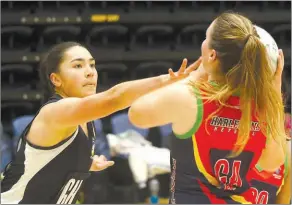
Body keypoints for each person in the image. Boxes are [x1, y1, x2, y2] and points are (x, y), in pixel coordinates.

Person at [0, 41, 201, 204]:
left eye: (92, 65)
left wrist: (86, 162)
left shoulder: (84, 120)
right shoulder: (55, 111)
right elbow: (115, 97)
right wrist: (167, 81)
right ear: (56, 79)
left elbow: (49, 158)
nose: (90, 72)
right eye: (78, 66)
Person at [128, 12, 290, 204]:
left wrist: (193, 78)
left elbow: (136, 113)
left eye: (206, 38)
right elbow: (272, 164)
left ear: (212, 55)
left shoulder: (192, 99)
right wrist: (272, 95)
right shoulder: (262, 110)